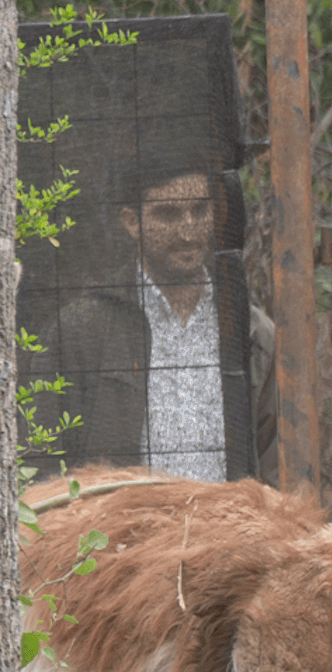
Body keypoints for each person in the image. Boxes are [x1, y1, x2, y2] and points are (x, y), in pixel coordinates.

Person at [40, 158, 268, 480]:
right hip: (122, 527)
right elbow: (41, 465)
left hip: (229, 526)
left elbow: (279, 466)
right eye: (168, 214)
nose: (188, 232)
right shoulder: (80, 332)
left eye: (200, 211)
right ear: (132, 222)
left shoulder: (253, 332)